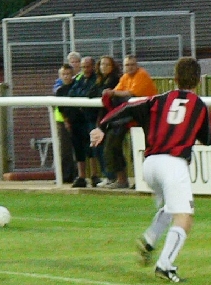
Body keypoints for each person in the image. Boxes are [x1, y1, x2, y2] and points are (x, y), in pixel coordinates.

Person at [90, 57, 211, 283]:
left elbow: (126, 108)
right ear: (198, 80)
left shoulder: (157, 100)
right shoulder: (199, 106)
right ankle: (165, 266)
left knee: (171, 205)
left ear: (175, 78)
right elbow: (208, 138)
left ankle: (150, 239)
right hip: (173, 163)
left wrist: (102, 127)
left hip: (150, 165)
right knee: (184, 217)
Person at [103, 55, 158, 188]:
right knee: (113, 143)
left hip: (148, 118)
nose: (130, 67)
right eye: (127, 65)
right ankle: (122, 180)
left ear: (137, 65)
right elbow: (117, 92)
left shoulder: (142, 75)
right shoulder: (125, 77)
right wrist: (112, 93)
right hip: (131, 118)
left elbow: (131, 94)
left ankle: (144, 181)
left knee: (143, 150)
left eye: (132, 64)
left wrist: (113, 93)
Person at [65, 56, 98, 188]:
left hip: (90, 118)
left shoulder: (96, 79)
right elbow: (72, 92)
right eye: (83, 67)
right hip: (78, 119)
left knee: (92, 147)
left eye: (87, 67)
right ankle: (82, 176)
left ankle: (94, 175)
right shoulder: (79, 79)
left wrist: (81, 96)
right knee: (78, 147)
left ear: (93, 67)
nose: (85, 69)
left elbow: (90, 93)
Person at [90, 56, 122, 187]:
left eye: (107, 64)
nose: (104, 67)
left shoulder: (114, 79)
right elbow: (91, 93)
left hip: (111, 118)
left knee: (109, 147)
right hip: (102, 118)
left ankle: (112, 176)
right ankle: (109, 176)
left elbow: (106, 94)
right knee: (100, 147)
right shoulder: (99, 80)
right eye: (102, 64)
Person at [54, 64, 77, 183]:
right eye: (63, 74)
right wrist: (66, 121)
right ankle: (65, 176)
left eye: (68, 74)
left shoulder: (77, 87)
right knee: (64, 149)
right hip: (62, 122)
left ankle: (77, 175)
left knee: (78, 148)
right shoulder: (60, 90)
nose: (66, 76)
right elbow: (61, 108)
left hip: (77, 121)